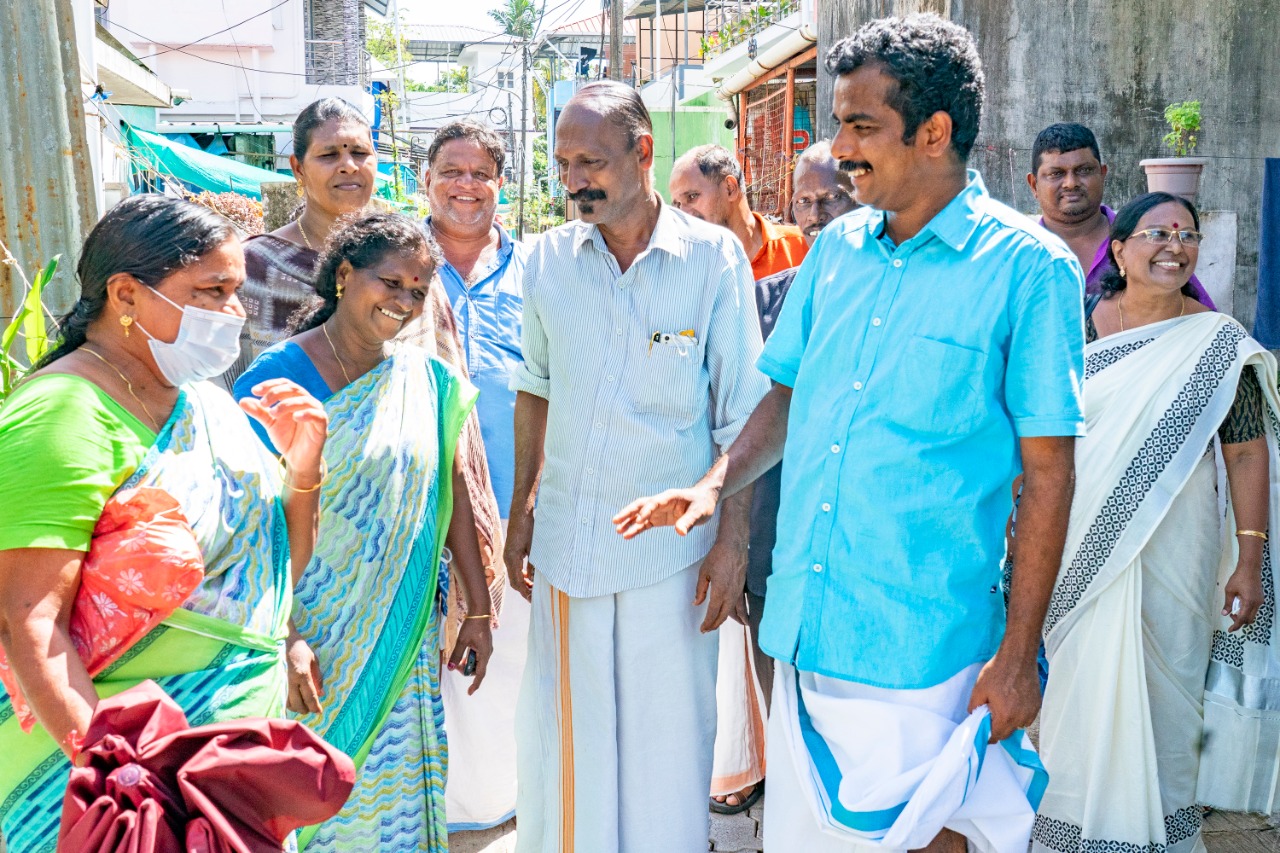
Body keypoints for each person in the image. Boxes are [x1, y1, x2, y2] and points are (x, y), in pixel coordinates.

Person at [616, 15, 1082, 852]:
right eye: (838, 123)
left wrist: (1018, 653)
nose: (839, 147)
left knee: (934, 837)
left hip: (927, 647)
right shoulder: (835, 253)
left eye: (861, 125)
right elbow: (786, 396)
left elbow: (1049, 474)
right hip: (805, 622)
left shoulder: (1028, 269)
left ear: (934, 132)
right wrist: (718, 481)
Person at [0, 195, 327, 852]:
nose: (233, 313)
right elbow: (25, 620)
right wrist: (120, 782)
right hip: (115, 784)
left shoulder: (209, 406)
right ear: (125, 294)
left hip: (225, 778)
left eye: (236, 291)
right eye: (211, 291)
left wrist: (303, 470)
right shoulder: (63, 414)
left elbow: (275, 575)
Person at [506, 80, 771, 852]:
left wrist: (732, 542)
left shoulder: (711, 255)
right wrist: (523, 508)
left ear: (643, 152)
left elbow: (743, 411)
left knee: (669, 746)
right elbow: (535, 389)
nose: (574, 179)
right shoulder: (547, 260)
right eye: (563, 163)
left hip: (677, 554)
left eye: (591, 160)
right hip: (570, 544)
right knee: (569, 749)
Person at [234, 213, 494, 851]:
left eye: (416, 289)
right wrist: (287, 633)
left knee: (398, 793)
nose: (403, 302)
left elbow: (450, 487)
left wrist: (479, 607)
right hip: (311, 633)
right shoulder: (276, 378)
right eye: (390, 282)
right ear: (345, 275)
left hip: (401, 629)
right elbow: (248, 520)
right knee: (316, 795)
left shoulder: (422, 381)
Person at [1033, 192, 1280, 853]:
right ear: (1119, 250)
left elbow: (1247, 449)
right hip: (1079, 538)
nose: (1174, 244)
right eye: (1156, 233)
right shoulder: (1078, 330)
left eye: (1187, 234)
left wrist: (1250, 557)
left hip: (1181, 544)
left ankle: (1163, 837)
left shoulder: (1218, 343)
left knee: (1171, 689)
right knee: (1080, 686)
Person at [422, 119, 532, 832]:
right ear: (425, 179)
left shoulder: (535, 267)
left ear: (502, 182)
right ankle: (432, 807)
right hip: (421, 509)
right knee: (429, 669)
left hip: (518, 507)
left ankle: (497, 803)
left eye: (481, 171)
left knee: (506, 664)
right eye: (450, 170)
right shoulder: (397, 262)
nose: (466, 185)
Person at [747, 139, 859, 702]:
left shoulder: (893, 294)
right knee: (783, 707)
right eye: (803, 202)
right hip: (774, 529)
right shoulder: (763, 299)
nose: (815, 216)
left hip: (859, 539)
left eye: (832, 199)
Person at [239, 98, 378, 367]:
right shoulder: (252, 267)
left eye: (360, 153)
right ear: (298, 168)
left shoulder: (404, 260)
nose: (349, 165)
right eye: (329, 155)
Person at [1028, 122, 1214, 307]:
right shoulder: (1017, 257)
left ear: (1102, 174)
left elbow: (1201, 320)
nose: (1070, 183)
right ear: (1034, 184)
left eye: (1084, 170)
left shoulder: (1145, 239)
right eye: (1056, 174)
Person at [669, 143, 809, 280]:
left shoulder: (803, 247)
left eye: (692, 196)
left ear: (730, 188)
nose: (682, 214)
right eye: (677, 204)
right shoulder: (682, 271)